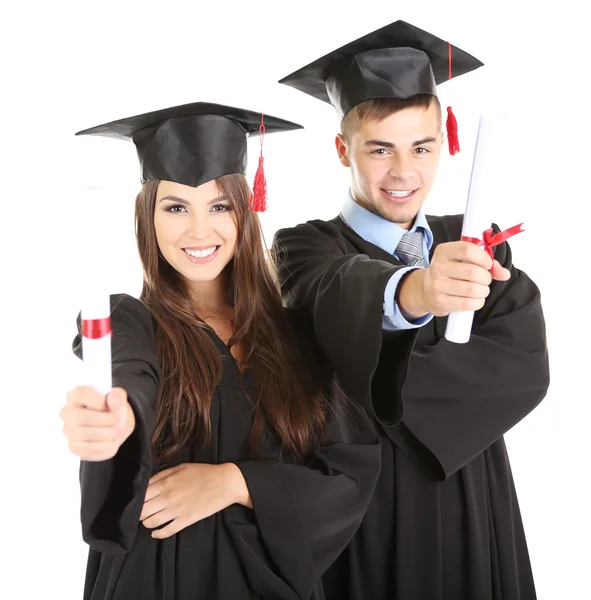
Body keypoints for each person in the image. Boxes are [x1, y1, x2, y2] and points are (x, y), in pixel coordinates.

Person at [59, 101, 381, 600]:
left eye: (219, 205)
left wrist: (235, 482)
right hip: (161, 582)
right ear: (148, 218)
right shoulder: (132, 323)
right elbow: (125, 376)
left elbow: (348, 475)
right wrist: (115, 421)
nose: (198, 231)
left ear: (244, 210)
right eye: (175, 207)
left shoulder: (298, 336)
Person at [274, 20, 550, 600]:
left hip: (476, 498)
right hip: (366, 513)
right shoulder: (303, 246)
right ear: (341, 148)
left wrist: (373, 381)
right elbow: (331, 293)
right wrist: (415, 293)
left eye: (421, 147)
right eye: (380, 149)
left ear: (443, 142)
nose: (404, 172)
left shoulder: (476, 240)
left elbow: (525, 365)